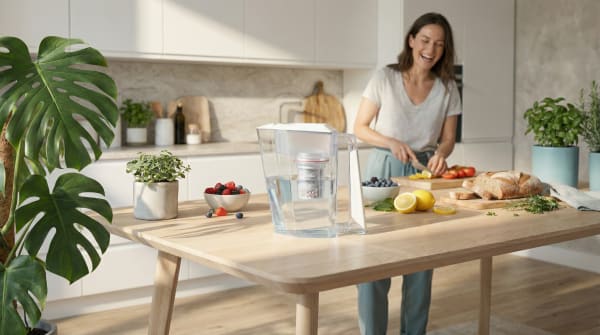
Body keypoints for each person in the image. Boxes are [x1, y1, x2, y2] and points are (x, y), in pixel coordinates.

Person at [353, 12, 461, 335]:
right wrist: (390, 141)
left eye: (439, 44)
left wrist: (441, 154)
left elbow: (448, 138)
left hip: (423, 175)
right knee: (374, 262)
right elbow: (359, 127)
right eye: (425, 40)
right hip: (382, 171)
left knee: (421, 264)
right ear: (411, 41)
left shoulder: (446, 87)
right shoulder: (384, 78)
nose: (431, 48)